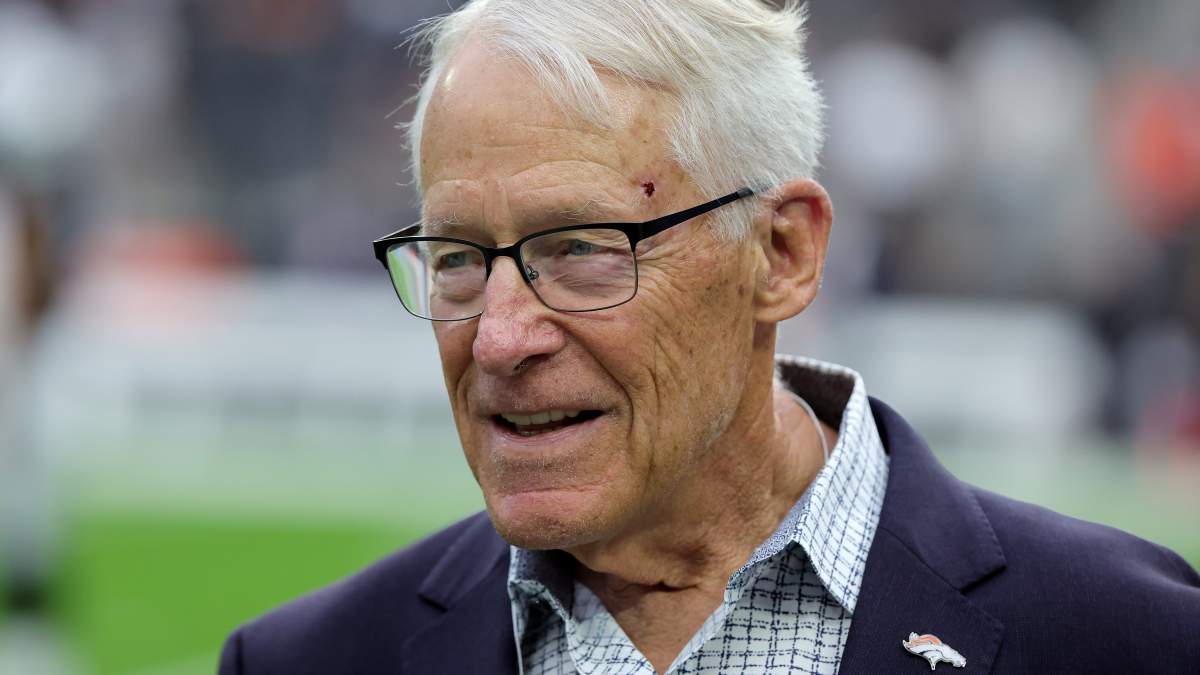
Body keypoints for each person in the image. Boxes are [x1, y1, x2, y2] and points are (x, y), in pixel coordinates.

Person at [219, 1, 1200, 673]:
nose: (501, 338)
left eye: (581, 248)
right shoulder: (308, 661)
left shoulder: (1132, 638)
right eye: (458, 257)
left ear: (781, 253)